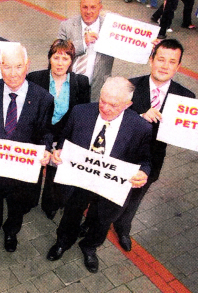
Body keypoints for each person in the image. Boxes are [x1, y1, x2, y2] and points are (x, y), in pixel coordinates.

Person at [46, 77, 152, 273]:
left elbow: (145, 160)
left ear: (128, 105)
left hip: (110, 187)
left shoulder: (140, 128)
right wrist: (60, 151)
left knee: (102, 220)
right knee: (71, 213)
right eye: (103, 101)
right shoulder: (80, 112)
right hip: (78, 181)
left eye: (113, 105)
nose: (105, 108)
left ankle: (89, 247)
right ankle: (63, 241)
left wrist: (143, 173)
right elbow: (64, 139)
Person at [112, 39, 195, 251]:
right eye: (160, 59)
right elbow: (112, 118)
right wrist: (139, 116)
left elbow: (187, 134)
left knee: (136, 196)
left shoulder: (187, 98)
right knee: (110, 191)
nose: (165, 66)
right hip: (122, 153)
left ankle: (123, 227)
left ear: (178, 66)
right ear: (151, 60)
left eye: (171, 61)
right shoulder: (129, 86)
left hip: (153, 159)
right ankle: (95, 222)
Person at [0, 44, 54, 252]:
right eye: (7, 67)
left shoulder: (43, 98)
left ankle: (11, 232)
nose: (13, 73)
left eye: (18, 66)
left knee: (16, 203)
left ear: (27, 66)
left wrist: (46, 149)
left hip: (21, 169)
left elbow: (46, 131)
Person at [26, 39, 91, 220]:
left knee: (55, 172)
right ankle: (30, 199)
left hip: (64, 136)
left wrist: (64, 143)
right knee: (35, 169)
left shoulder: (81, 82)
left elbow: (82, 114)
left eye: (65, 58)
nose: (60, 63)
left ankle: (50, 203)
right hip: (39, 135)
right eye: (56, 57)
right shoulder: (35, 78)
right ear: (49, 59)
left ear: (71, 61)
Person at [58, 0, 114, 102]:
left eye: (93, 7)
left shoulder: (111, 28)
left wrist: (148, 47)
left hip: (97, 87)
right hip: (69, 85)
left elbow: (129, 47)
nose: (88, 11)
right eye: (85, 7)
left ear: (100, 7)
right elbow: (57, 52)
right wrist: (83, 42)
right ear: (80, 6)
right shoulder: (67, 25)